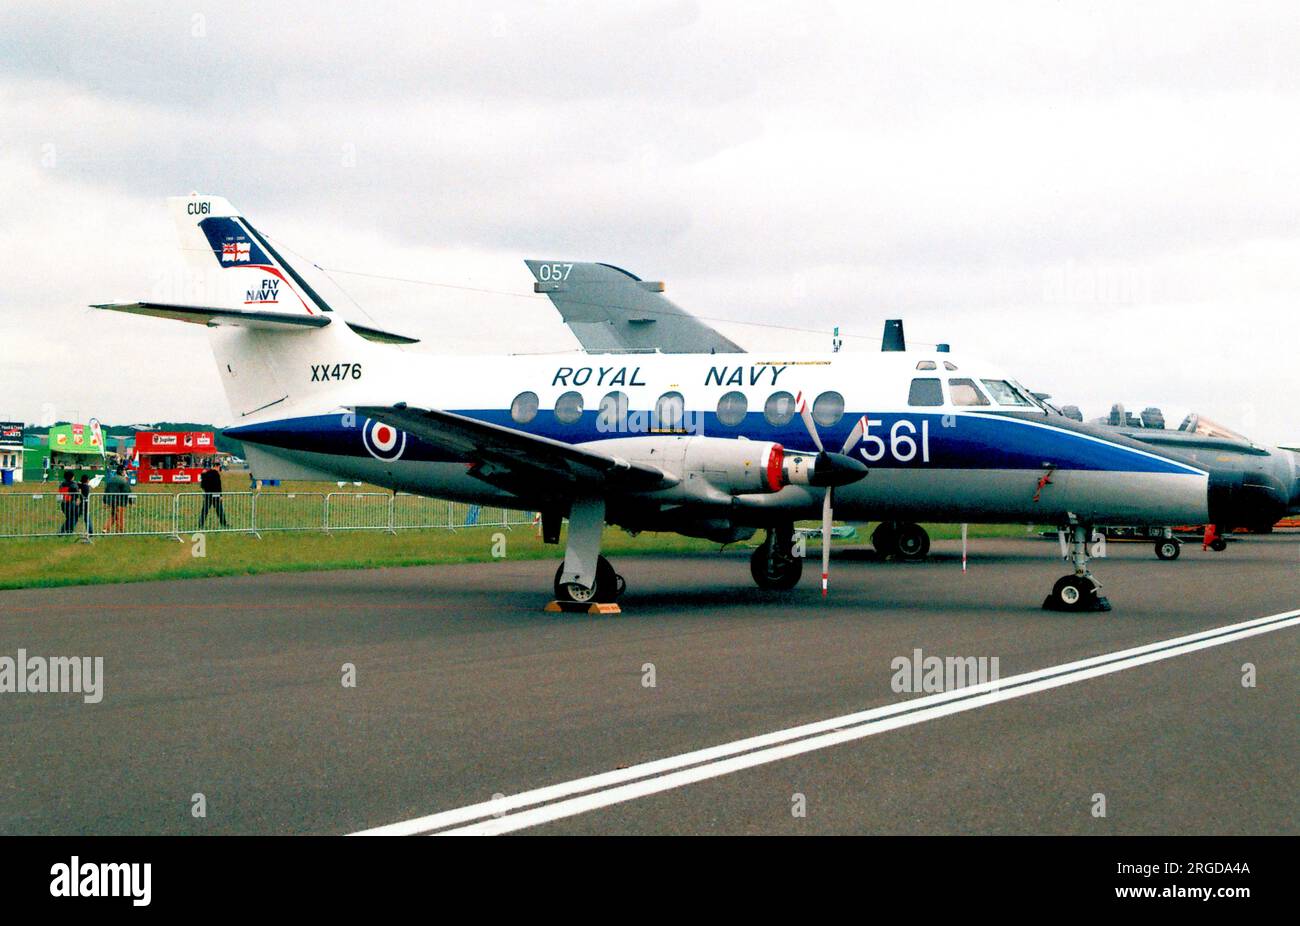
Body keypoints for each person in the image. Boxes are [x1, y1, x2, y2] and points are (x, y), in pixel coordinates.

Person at [103, 464, 132, 533]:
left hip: (112, 502)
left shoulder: (111, 479)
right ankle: (119, 531)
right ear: (122, 471)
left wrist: (105, 502)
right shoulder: (123, 480)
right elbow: (128, 492)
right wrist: (131, 502)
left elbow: (106, 491)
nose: (126, 472)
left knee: (113, 516)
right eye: (125, 470)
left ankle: (105, 529)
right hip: (121, 502)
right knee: (120, 517)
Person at [198, 463, 228, 528]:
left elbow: (202, 485)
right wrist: (220, 495)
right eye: (219, 467)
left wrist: (202, 474)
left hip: (207, 494)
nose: (219, 469)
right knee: (220, 510)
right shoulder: (216, 474)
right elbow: (218, 486)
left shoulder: (206, 474)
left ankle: (200, 524)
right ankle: (224, 524)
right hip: (216, 495)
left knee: (205, 510)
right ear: (216, 466)